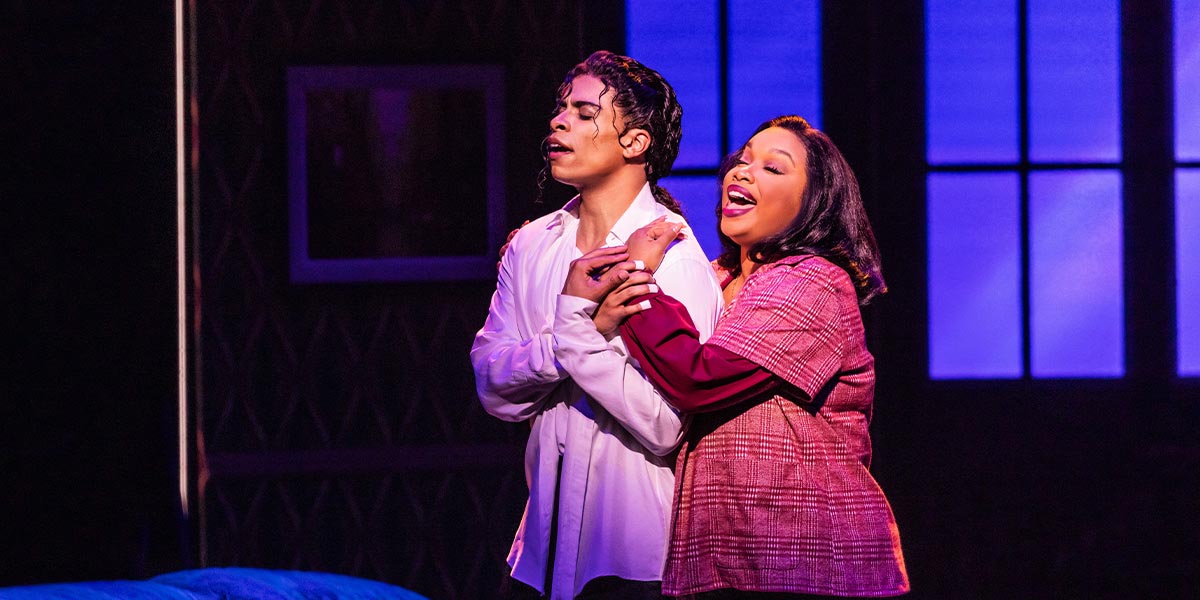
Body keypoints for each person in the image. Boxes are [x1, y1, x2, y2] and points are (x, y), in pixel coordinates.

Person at [561, 115, 910, 598]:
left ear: (814, 202)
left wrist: (635, 273)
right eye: (741, 161)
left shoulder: (812, 280)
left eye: (772, 168)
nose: (741, 173)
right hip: (722, 556)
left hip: (804, 557)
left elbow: (697, 376)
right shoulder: (717, 278)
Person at [470, 50, 724, 600]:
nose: (559, 121)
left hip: (636, 556)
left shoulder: (674, 258)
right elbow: (494, 387)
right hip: (540, 550)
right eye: (562, 109)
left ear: (635, 142)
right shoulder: (534, 244)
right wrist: (579, 333)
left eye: (585, 113)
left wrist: (580, 333)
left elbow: (665, 425)